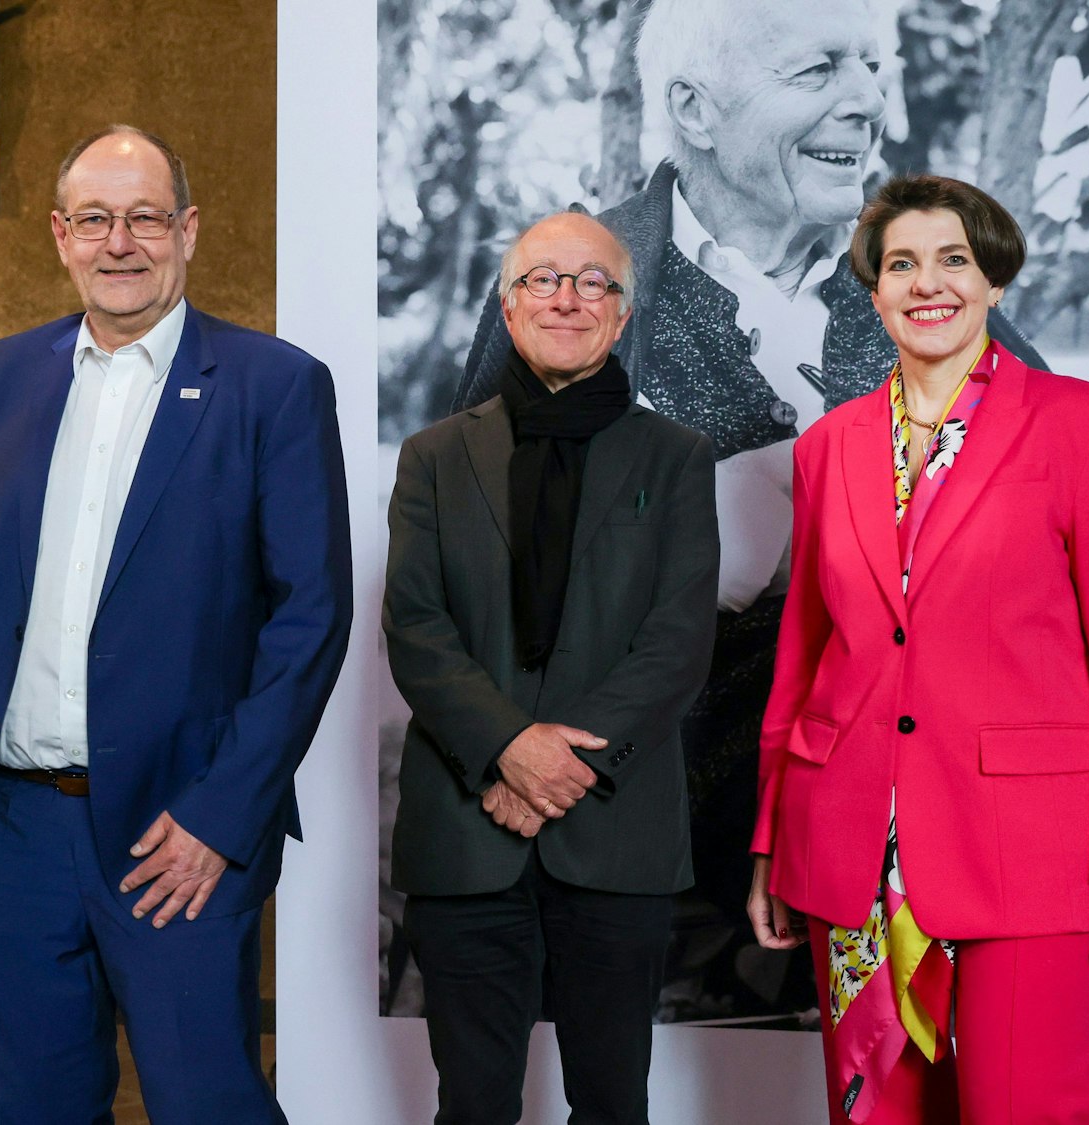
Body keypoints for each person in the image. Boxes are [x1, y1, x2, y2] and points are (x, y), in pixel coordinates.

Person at [453, 0, 1049, 957]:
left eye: (871, 70)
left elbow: (1049, 474)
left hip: (935, 700)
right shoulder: (577, 285)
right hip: (699, 741)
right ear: (695, 108)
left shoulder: (914, 270)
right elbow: (471, 550)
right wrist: (691, 535)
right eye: (818, 74)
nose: (870, 106)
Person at [0, 125, 352, 1125]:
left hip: (175, 833)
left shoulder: (272, 386)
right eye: (97, 220)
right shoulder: (5, 373)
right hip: (9, 829)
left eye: (146, 217)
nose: (122, 242)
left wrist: (221, 814)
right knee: (33, 1108)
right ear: (61, 235)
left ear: (187, 231)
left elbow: (309, 615)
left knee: (208, 1104)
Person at [746, 173, 1089, 1124]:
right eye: (902, 263)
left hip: (1031, 855)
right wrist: (775, 841)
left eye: (954, 259)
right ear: (874, 290)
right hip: (853, 847)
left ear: (993, 281)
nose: (927, 282)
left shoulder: (1088, 427)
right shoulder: (830, 447)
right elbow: (805, 660)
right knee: (874, 1116)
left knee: (1026, 1109)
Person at [386, 211, 719, 1124]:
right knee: (474, 1102)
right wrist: (506, 750)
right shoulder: (434, 457)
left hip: (616, 836)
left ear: (621, 314)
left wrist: (557, 767)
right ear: (508, 304)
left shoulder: (679, 457)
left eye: (593, 282)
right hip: (466, 833)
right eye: (542, 278)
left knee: (613, 1103)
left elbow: (678, 635)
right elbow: (415, 625)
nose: (566, 298)